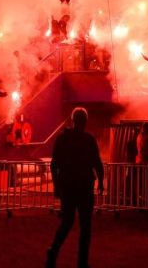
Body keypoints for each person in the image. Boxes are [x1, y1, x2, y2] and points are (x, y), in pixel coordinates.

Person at [46, 107, 104, 268]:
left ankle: (53, 250)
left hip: (68, 186)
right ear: (85, 121)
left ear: (73, 120)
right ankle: (82, 262)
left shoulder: (62, 139)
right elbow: (97, 162)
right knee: (86, 226)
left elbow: (54, 165)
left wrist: (57, 185)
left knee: (67, 222)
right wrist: (102, 182)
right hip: (85, 187)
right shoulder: (89, 140)